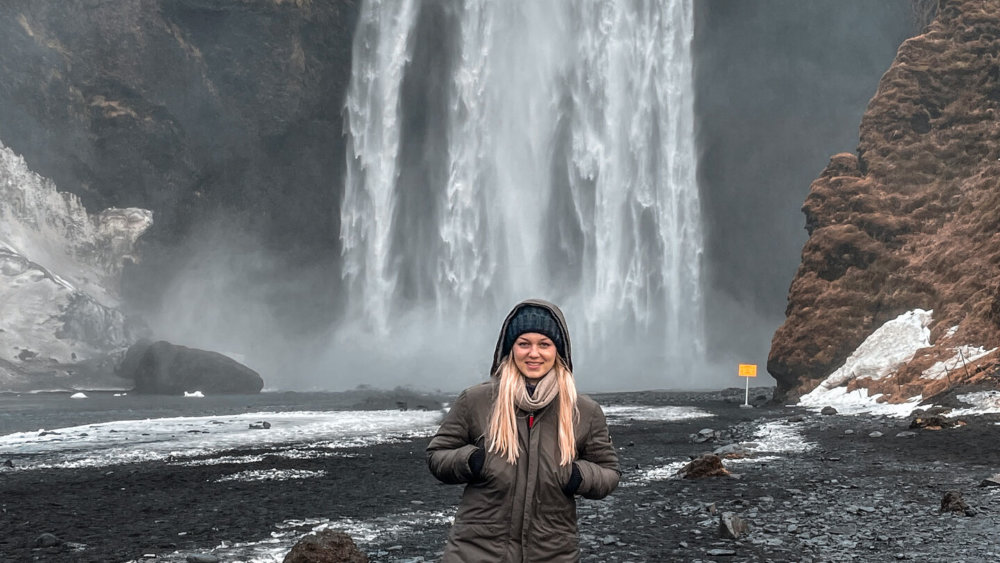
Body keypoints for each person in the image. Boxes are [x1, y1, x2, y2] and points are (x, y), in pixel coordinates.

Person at [426, 299, 620, 562]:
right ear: (510, 348)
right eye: (524, 343)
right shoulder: (477, 400)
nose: (534, 353)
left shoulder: (583, 410)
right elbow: (438, 454)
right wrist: (472, 460)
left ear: (558, 351)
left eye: (544, 344)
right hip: (476, 549)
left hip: (552, 550)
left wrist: (577, 476)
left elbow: (609, 471)